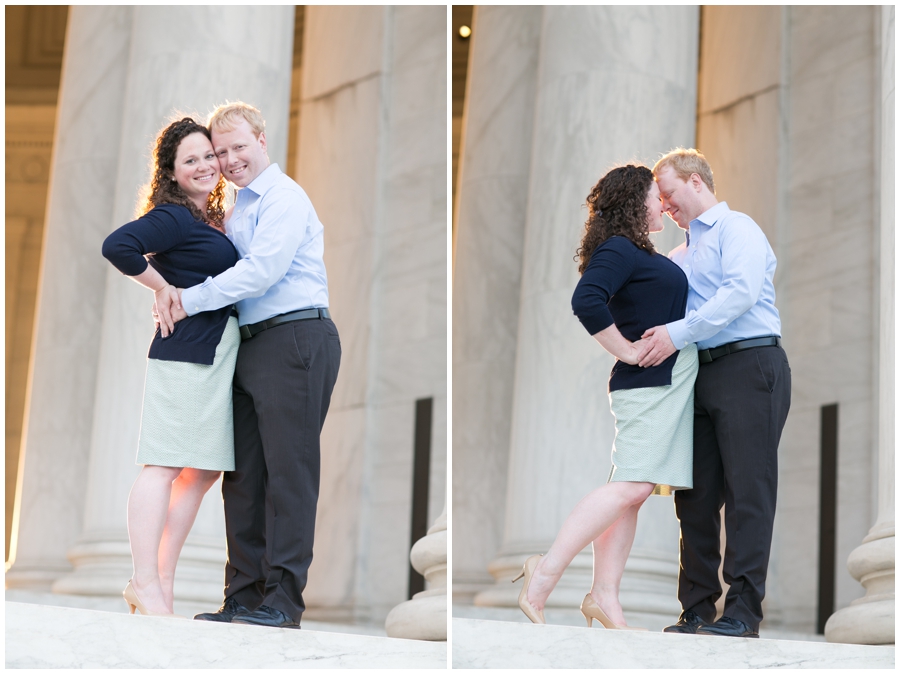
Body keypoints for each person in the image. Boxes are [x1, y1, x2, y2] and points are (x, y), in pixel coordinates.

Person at [156, 102, 341, 630]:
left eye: (239, 146)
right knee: (243, 476)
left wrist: (186, 300)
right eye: (220, 151)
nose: (230, 159)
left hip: (297, 338)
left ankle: (282, 601)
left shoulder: (284, 197)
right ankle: (242, 596)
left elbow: (262, 272)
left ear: (262, 140)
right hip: (249, 344)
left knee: (289, 474)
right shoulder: (236, 210)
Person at [513, 165, 698, 629]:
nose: (663, 205)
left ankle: (605, 596)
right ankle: (545, 572)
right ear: (636, 201)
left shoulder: (637, 251)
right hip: (648, 386)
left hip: (665, 387)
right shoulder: (619, 248)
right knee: (632, 487)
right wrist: (628, 351)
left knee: (632, 495)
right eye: (657, 197)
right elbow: (586, 300)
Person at [640, 148, 791, 638]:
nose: (664, 206)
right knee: (696, 495)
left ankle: (744, 612)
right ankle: (697, 610)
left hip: (750, 364)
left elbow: (742, 291)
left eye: (668, 193)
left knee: (749, 489)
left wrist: (678, 333)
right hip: (698, 376)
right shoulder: (677, 256)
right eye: (659, 200)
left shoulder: (737, 228)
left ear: (696, 182)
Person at [102, 117, 240, 617]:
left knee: (200, 472)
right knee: (162, 465)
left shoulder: (209, 218)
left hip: (212, 354)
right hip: (184, 354)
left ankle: (161, 579)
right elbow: (118, 245)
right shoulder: (176, 216)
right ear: (173, 172)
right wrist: (161, 287)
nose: (204, 166)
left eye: (209, 156)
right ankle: (145, 580)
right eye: (191, 160)